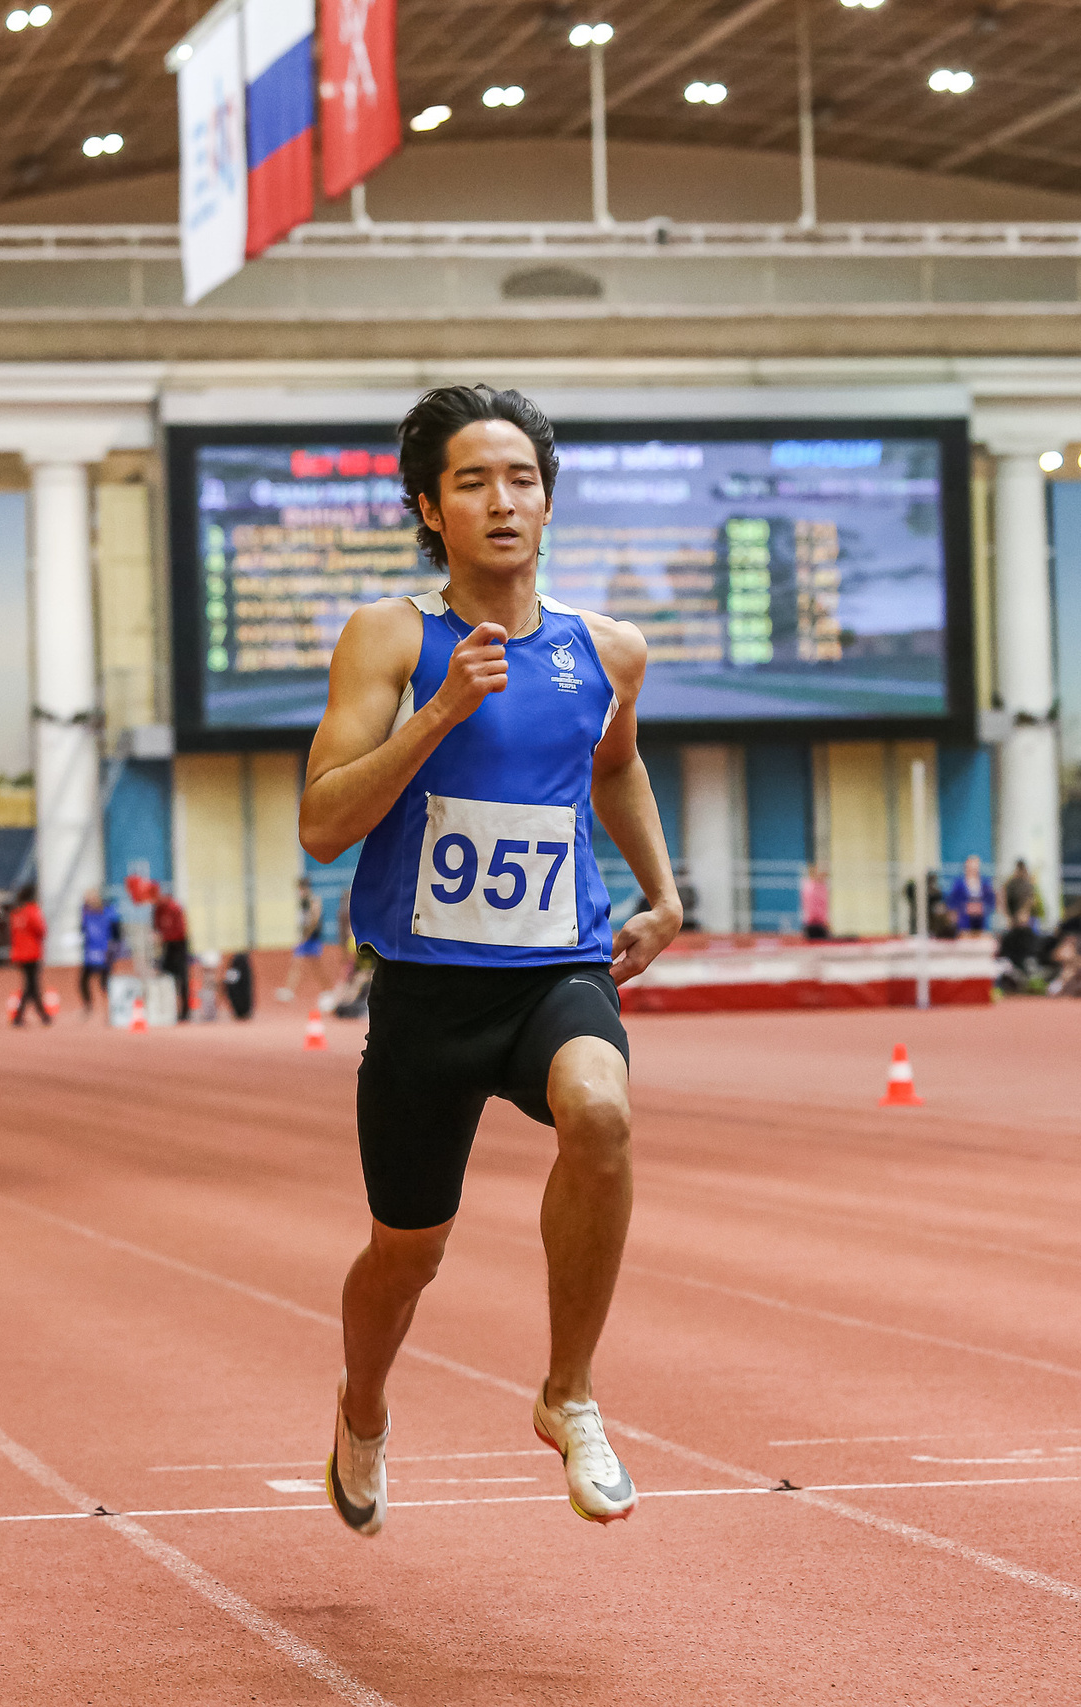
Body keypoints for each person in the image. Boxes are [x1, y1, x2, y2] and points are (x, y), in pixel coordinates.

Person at [300, 385, 682, 1537]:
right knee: (404, 1255)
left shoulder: (605, 650)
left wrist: (661, 894)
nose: (501, 500)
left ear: (548, 500)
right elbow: (323, 823)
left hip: (551, 968)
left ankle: (568, 1395)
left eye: (519, 478)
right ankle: (361, 1408)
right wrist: (434, 715)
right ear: (430, 506)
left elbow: (612, 767)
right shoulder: (389, 636)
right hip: (425, 989)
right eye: (472, 481)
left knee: (601, 1115)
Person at [279, 876, 329, 1004]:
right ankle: (289, 990)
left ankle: (327, 990)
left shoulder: (313, 900)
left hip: (312, 938)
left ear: (304, 888)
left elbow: (315, 919)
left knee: (317, 967)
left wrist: (307, 934)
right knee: (296, 963)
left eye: (300, 889)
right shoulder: (302, 901)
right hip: (304, 938)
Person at [8, 882, 49, 1026]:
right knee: (31, 985)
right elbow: (42, 929)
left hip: (19, 953)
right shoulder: (32, 910)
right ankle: (27, 1016)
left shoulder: (17, 912)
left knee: (31, 985)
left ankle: (42, 1014)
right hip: (32, 953)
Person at [77, 888, 120, 1018]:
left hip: (105, 952)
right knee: (83, 981)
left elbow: (117, 932)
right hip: (90, 953)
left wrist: (113, 947)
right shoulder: (85, 913)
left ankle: (111, 1010)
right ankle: (88, 1006)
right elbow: (83, 929)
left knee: (104, 983)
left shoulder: (109, 912)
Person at [153, 886, 192, 1022]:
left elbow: (181, 931)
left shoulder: (175, 908)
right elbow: (156, 927)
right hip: (167, 946)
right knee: (165, 976)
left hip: (179, 945)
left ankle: (185, 1011)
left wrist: (163, 936)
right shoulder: (157, 909)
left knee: (182, 978)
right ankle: (168, 1009)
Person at [945, 855, 992, 934]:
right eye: (971, 865)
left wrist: (982, 908)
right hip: (964, 919)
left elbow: (990, 900)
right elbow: (952, 901)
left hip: (981, 919)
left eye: (975, 865)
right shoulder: (958, 883)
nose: (973, 868)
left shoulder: (985, 882)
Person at [1002, 858, 1041, 932]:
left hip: (1024, 916)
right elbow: (1007, 900)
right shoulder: (1012, 884)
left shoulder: (1028, 884)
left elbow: (1033, 902)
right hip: (1015, 916)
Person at [799, 864, 830, 940]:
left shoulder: (822, 887)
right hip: (811, 923)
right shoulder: (809, 887)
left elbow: (824, 906)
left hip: (820, 923)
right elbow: (809, 906)